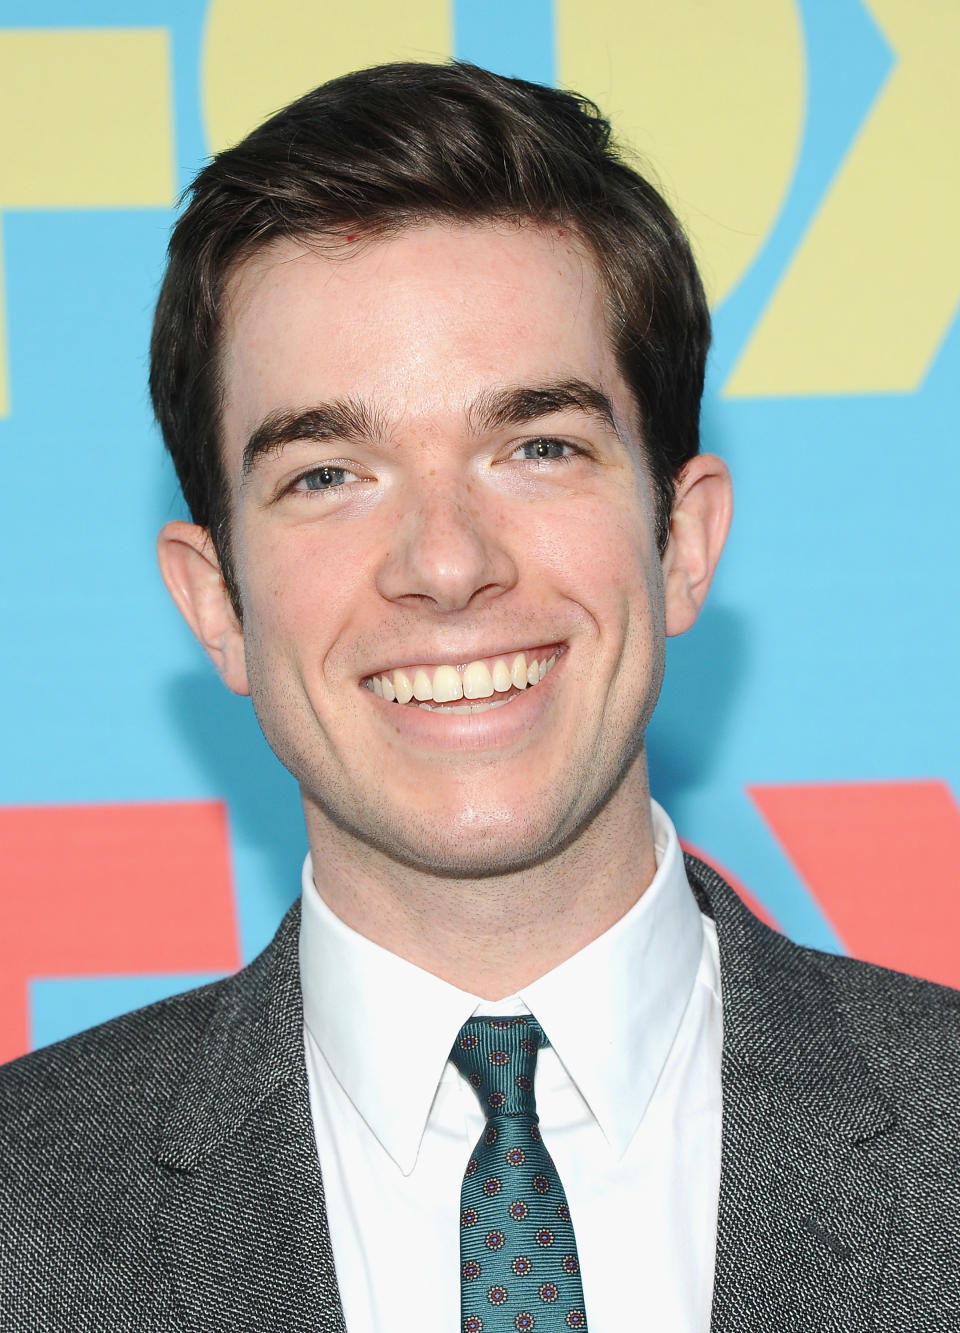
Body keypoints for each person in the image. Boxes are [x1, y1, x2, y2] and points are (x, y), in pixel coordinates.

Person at [1, 60, 957, 1332]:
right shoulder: (25, 1206)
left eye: (538, 448)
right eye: (331, 474)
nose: (447, 562)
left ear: (683, 541)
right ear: (215, 602)